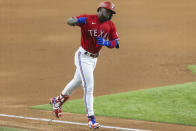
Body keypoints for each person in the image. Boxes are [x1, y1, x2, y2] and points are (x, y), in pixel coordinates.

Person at [50, 1, 119, 129]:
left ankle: (57, 101)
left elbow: (116, 43)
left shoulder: (110, 25)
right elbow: (71, 21)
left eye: (111, 13)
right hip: (83, 57)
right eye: (108, 11)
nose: (110, 14)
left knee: (76, 82)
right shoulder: (87, 19)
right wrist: (74, 21)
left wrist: (107, 43)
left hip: (94, 60)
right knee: (89, 87)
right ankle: (91, 119)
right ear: (100, 10)